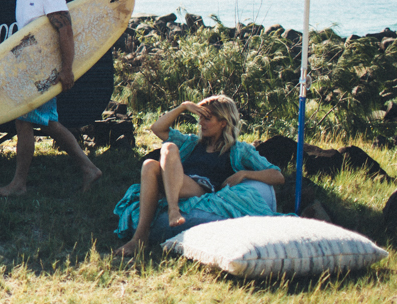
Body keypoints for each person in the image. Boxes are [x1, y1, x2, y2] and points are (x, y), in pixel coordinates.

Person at [0, 0, 103, 197]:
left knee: (25, 121)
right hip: (30, 69)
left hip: (44, 71)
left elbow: (66, 31)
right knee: (46, 122)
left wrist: (67, 69)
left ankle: (19, 184)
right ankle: (88, 168)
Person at [111, 95, 284, 257]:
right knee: (150, 163)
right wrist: (183, 106)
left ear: (223, 123)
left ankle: (172, 210)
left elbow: (277, 175)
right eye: (200, 118)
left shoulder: (238, 150)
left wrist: (244, 173)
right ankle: (139, 238)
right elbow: (157, 128)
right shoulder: (192, 142)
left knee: (168, 147)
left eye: (207, 119)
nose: (201, 123)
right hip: (175, 183)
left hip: (200, 190)